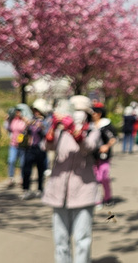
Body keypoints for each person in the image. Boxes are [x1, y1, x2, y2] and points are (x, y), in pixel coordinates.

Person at [42, 95, 102, 263]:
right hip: (59, 192)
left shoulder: (93, 131)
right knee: (60, 239)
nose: (77, 114)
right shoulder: (61, 132)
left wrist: (75, 131)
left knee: (82, 238)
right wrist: (53, 128)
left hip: (84, 190)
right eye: (74, 111)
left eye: (81, 111)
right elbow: (47, 146)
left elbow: (88, 147)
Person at [91, 103, 117, 207]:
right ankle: (96, 199)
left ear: (99, 113)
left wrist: (107, 146)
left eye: (94, 112)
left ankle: (108, 197)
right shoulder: (90, 125)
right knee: (94, 178)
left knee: (104, 177)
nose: (92, 114)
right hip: (92, 155)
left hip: (104, 155)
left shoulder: (106, 125)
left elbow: (113, 138)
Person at [21, 103, 48, 200]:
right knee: (27, 169)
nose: (36, 112)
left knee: (40, 169)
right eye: (35, 110)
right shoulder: (31, 120)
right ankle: (26, 189)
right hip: (30, 148)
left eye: (38, 111)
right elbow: (24, 132)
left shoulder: (45, 121)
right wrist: (27, 125)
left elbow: (47, 134)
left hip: (40, 148)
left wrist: (42, 127)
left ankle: (40, 189)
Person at [5, 105, 28, 188]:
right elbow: (8, 129)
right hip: (13, 144)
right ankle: (11, 178)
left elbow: (29, 129)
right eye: (16, 112)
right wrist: (7, 120)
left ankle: (22, 177)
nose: (17, 113)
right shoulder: (12, 120)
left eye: (19, 112)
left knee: (22, 163)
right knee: (11, 160)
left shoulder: (24, 120)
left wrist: (26, 122)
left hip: (22, 145)